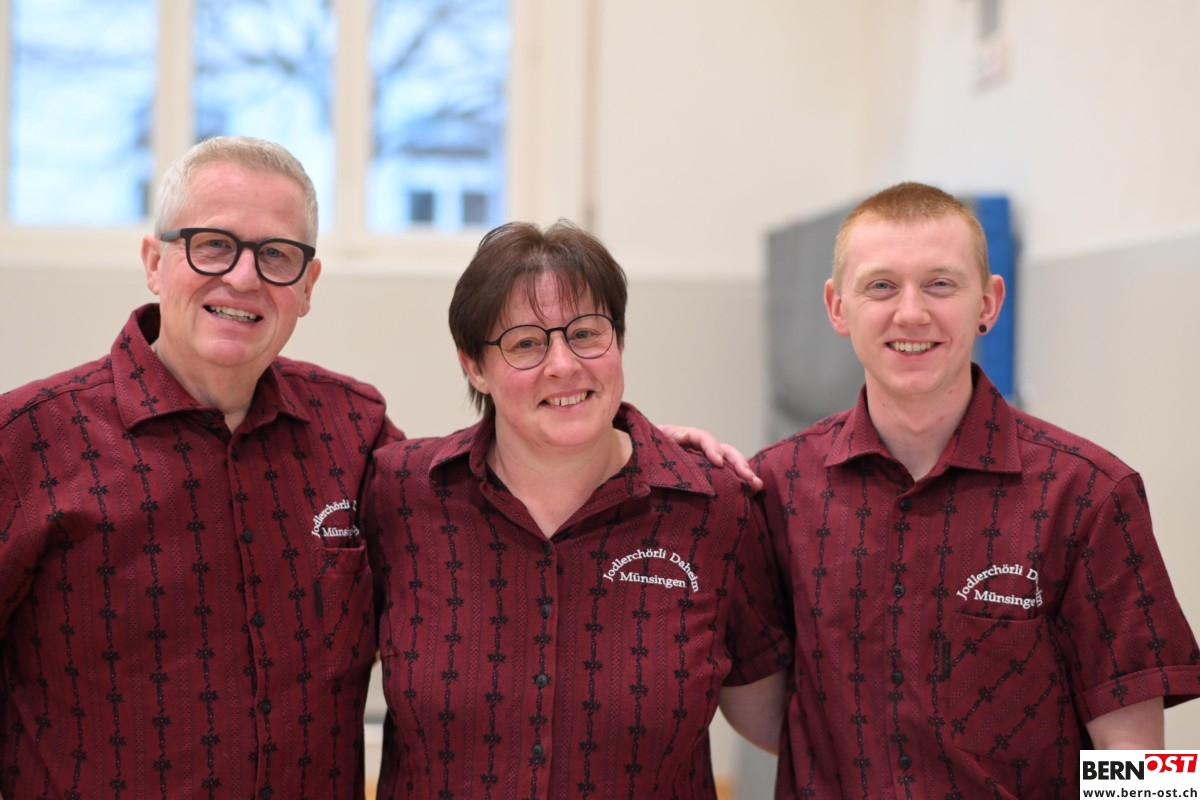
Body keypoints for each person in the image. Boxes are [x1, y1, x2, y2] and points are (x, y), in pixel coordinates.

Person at [751, 182, 1200, 798]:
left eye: (940, 284)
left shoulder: (1090, 494)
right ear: (836, 307)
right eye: (881, 286)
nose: (911, 313)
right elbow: (764, 707)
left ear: (988, 302)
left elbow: (1142, 762)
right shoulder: (776, 487)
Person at [0, 136, 402, 798]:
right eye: (213, 245)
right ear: (155, 262)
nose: (243, 278)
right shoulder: (28, 443)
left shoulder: (355, 432)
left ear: (307, 286)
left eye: (276, 255)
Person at [364, 220, 790, 799]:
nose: (563, 365)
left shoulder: (716, 510)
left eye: (586, 333)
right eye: (525, 343)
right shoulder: (399, 495)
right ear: (474, 367)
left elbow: (782, 721)